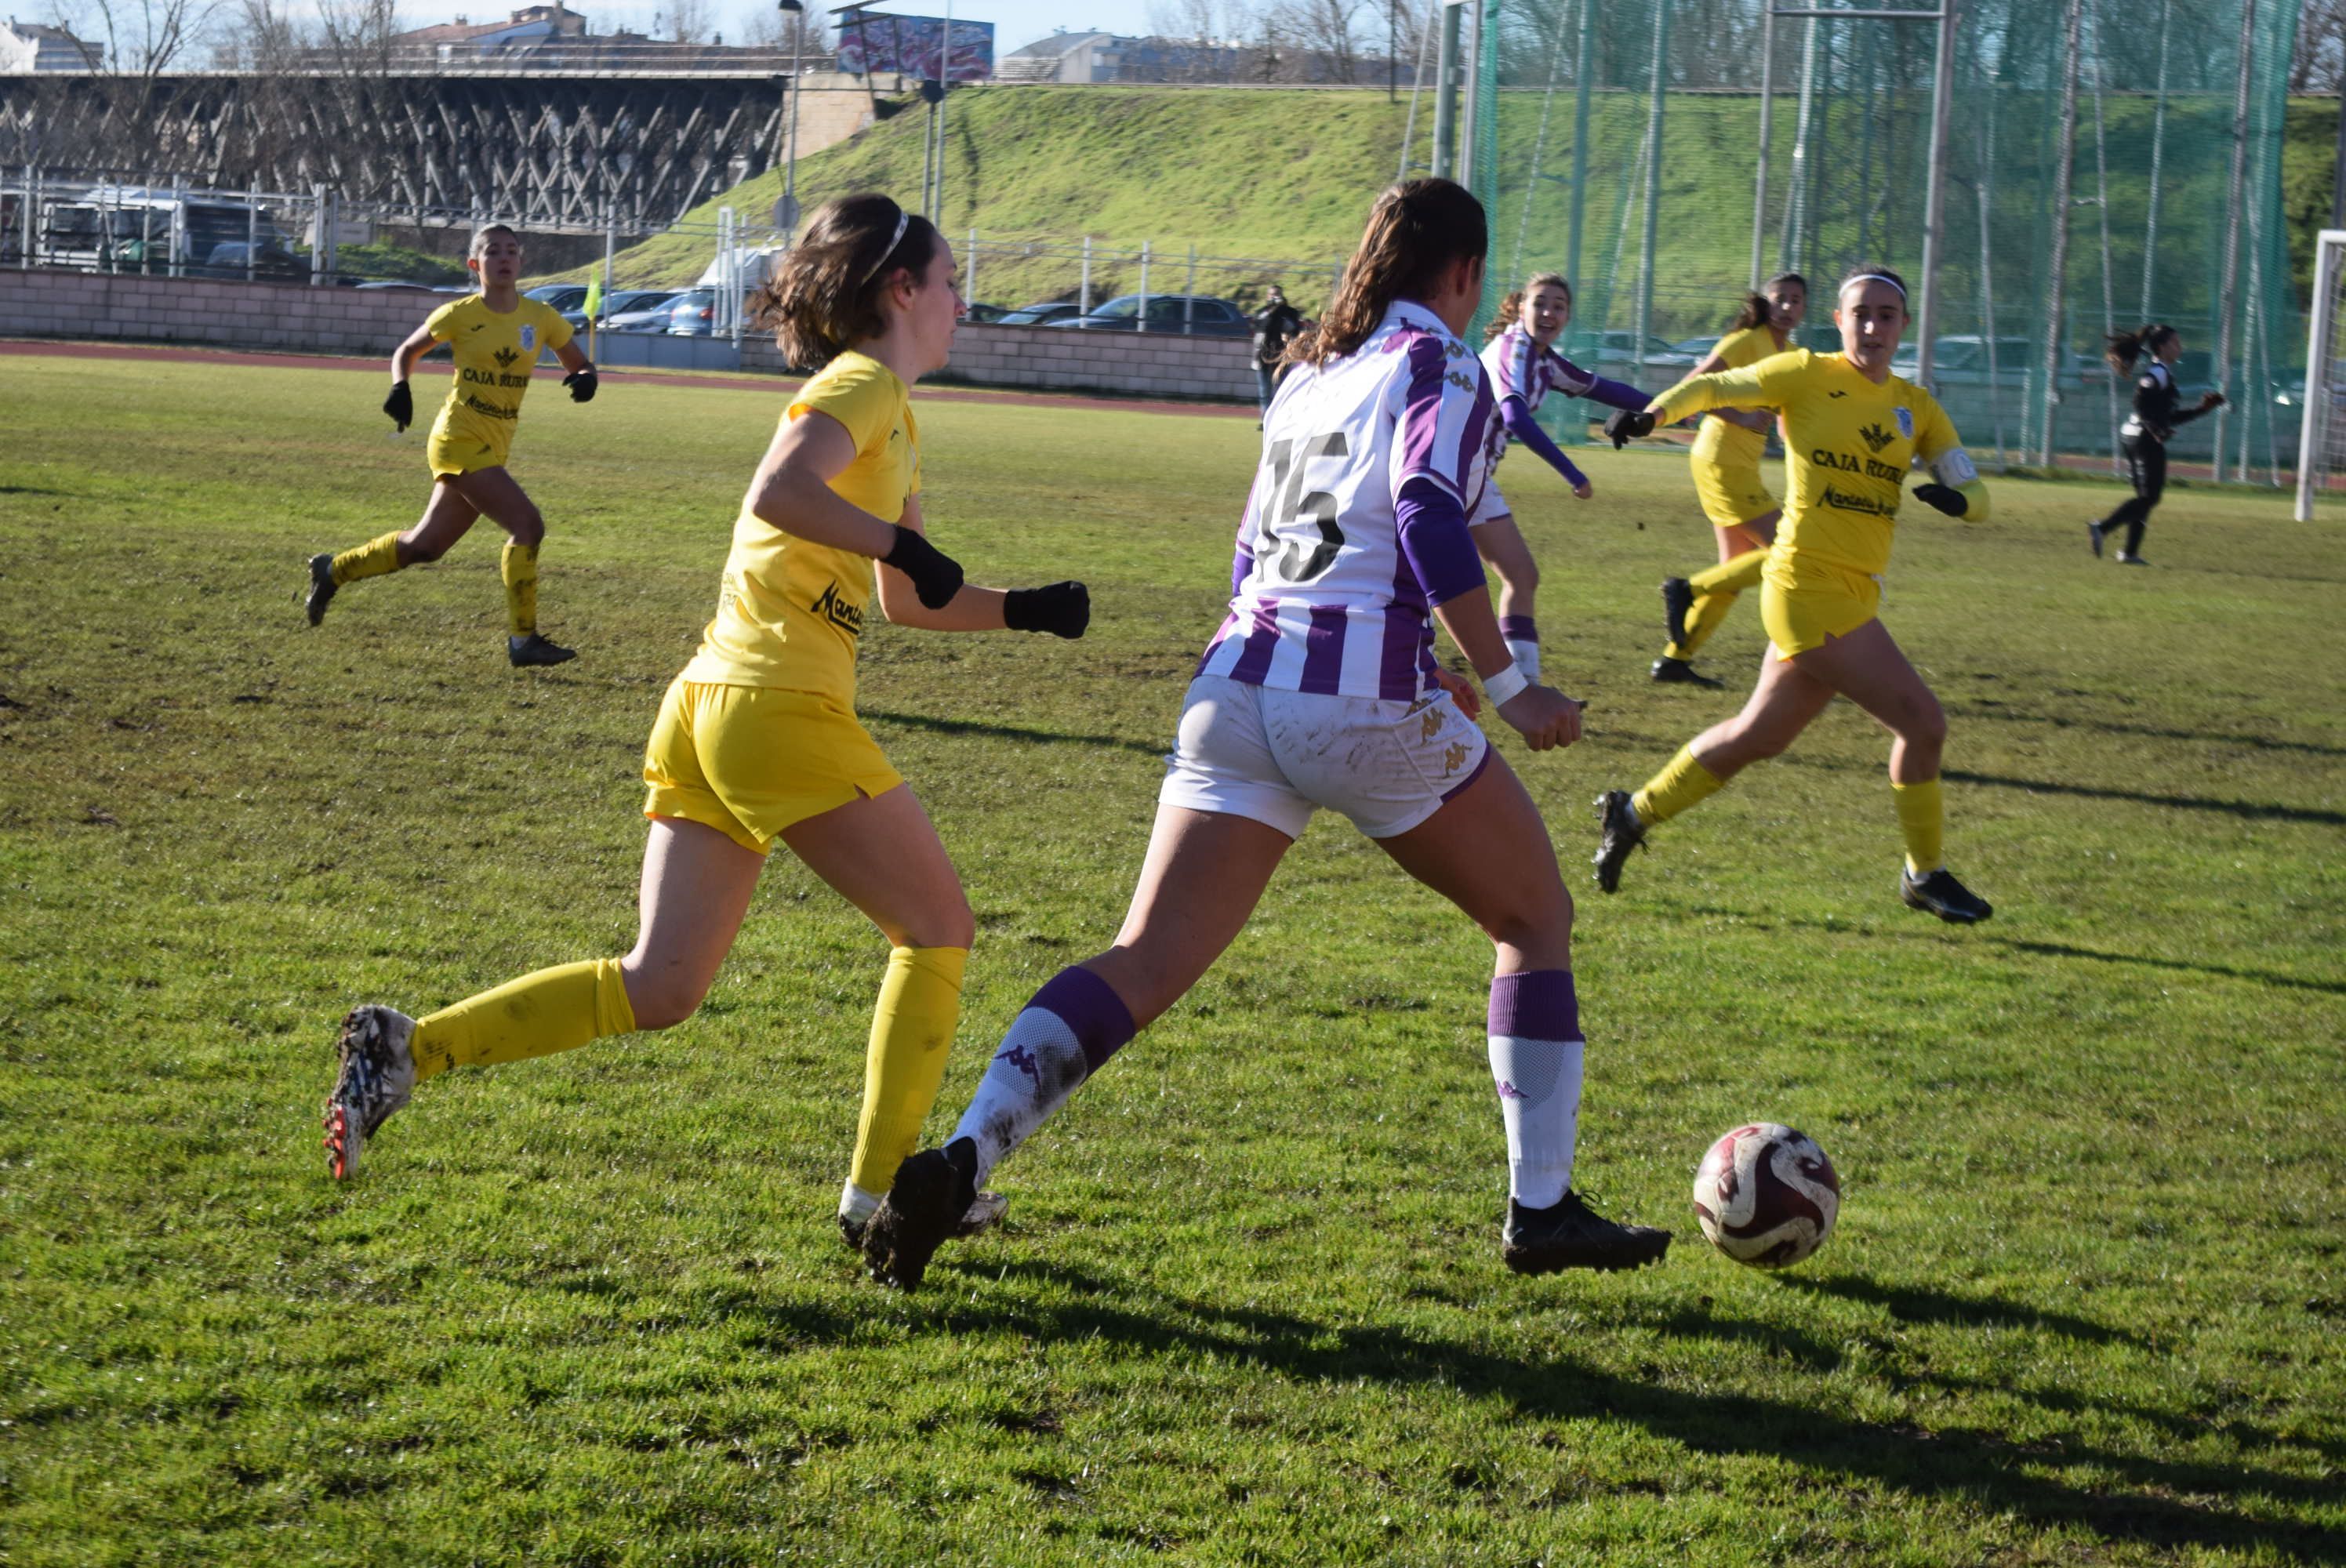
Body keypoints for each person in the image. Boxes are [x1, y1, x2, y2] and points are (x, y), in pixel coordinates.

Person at [858, 178, 1671, 1294]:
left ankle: (964, 1154)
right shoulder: (1441, 366)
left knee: (1140, 956)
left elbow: (1258, 560)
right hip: (1356, 703)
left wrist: (1412, 651)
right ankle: (1542, 1211)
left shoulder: (1306, 377)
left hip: (1236, 686)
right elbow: (1428, 505)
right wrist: (1506, 677)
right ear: (1468, 276)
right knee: (1536, 915)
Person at [318, 194, 1093, 1254]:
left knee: (662, 985)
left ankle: (406, 1049)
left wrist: (1024, 608)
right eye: (952, 281)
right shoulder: (863, 382)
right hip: (776, 705)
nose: (964, 302)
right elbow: (782, 490)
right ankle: (879, 1204)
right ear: (900, 291)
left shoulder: (894, 414)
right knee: (938, 929)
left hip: (708, 706)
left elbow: (905, 596)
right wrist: (903, 548)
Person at [1592, 266, 1995, 925]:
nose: (1872, 326)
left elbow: (1976, 490)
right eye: (1860, 313)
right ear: (1839, 321)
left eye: (1886, 315)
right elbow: (1719, 385)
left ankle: (1632, 812)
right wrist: (1654, 414)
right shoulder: (1807, 372)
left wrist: (1961, 501)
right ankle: (1924, 875)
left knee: (1757, 736)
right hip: (1803, 586)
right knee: (1924, 723)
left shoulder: (1915, 406)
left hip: (1857, 591)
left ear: (1904, 325)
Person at [303, 223, 597, 667]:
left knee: (425, 546)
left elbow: (578, 363)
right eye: (493, 251)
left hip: (495, 445)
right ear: (475, 264)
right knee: (528, 526)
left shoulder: (541, 318)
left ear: (521, 262)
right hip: (457, 440)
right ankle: (523, 641)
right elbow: (406, 351)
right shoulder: (458, 313)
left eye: (512, 251)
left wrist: (585, 380)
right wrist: (400, 387)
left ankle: (333, 570)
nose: (504, 258)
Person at [1473, 273, 1653, 681]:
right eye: (1540, 303)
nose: (1548, 312)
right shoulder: (1515, 349)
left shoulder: (1542, 360)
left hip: (1471, 479)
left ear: (1568, 316)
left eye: (1558, 306)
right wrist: (1572, 473)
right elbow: (1516, 417)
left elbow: (1604, 389)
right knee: (1435, 584)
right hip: (1453, 475)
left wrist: (1674, 408)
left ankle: (1525, 685)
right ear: (1521, 308)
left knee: (1519, 576)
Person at [1651, 273, 1808, 688]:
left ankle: (1674, 661)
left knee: (1736, 571)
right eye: (1781, 299)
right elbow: (1693, 387)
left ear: (1805, 309)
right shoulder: (1745, 341)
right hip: (1720, 461)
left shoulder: (1792, 354)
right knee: (1789, 552)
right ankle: (1686, 588)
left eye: (1796, 300)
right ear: (1766, 302)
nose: (1788, 307)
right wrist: (1737, 415)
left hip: (1743, 466)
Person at [2088, 324, 2222, 566]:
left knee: (2146, 497)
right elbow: (2140, 401)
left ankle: (2129, 553)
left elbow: (2166, 417)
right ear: (2161, 347)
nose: (2180, 348)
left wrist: (2202, 410)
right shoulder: (2158, 373)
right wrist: (2153, 428)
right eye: (2175, 343)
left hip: (2138, 435)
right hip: (2142, 438)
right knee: (2149, 497)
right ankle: (2102, 528)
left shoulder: (2164, 373)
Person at [1250, 285, 1305, 419]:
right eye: (1272, 295)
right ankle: (1265, 420)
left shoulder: (1289, 312)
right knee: (1264, 394)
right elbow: (1259, 324)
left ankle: (1280, 419)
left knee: (1282, 392)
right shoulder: (1263, 312)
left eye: (1277, 294)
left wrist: (1281, 311)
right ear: (1267, 297)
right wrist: (1272, 310)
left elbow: (1294, 330)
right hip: (1262, 357)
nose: (1275, 297)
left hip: (1281, 357)